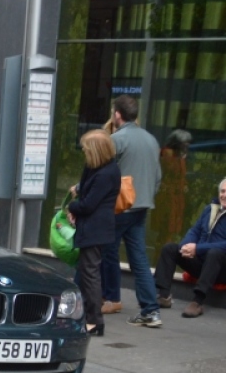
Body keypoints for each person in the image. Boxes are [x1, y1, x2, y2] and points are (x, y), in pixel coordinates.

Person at [95, 96, 163, 326]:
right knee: (139, 259)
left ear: (117, 114)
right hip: (142, 206)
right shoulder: (151, 140)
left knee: (100, 250)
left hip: (119, 206)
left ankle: (104, 298)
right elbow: (158, 177)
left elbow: (100, 173)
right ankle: (150, 310)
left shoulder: (117, 139)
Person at [68, 129, 122, 337]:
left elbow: (89, 204)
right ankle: (77, 313)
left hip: (95, 228)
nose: (84, 153)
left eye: (86, 149)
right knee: (84, 272)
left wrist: (73, 207)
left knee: (90, 274)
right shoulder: (97, 168)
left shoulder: (106, 173)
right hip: (91, 226)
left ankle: (94, 320)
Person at [152, 177, 226, 319]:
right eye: (222, 191)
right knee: (170, 248)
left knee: (215, 253)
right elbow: (195, 231)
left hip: (221, 269)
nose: (224, 195)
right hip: (201, 262)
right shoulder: (210, 209)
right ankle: (163, 295)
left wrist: (197, 248)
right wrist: (186, 246)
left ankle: (197, 302)